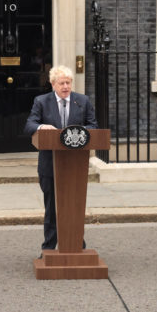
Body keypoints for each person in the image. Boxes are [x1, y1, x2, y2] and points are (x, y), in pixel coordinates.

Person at [24, 65, 98, 253]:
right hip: (50, 165)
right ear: (53, 84)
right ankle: (49, 247)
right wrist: (42, 128)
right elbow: (30, 124)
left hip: (75, 165)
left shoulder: (82, 101)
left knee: (74, 205)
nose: (66, 87)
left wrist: (80, 132)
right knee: (52, 208)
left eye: (68, 82)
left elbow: (93, 125)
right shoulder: (41, 101)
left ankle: (75, 245)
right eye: (62, 83)